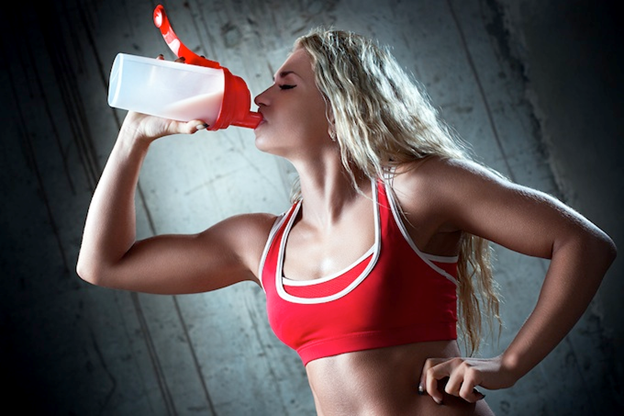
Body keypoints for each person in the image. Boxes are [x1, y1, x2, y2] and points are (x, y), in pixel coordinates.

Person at [77, 28, 616, 415]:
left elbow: (584, 244)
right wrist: (135, 135)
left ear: (341, 107)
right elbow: (103, 265)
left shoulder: (416, 190)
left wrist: (510, 364)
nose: (260, 97)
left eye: (286, 85)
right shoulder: (259, 242)